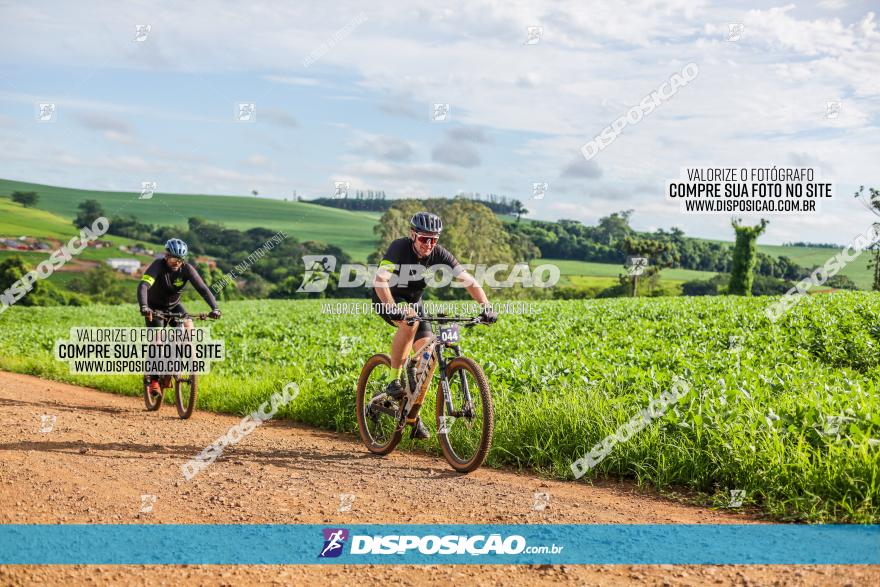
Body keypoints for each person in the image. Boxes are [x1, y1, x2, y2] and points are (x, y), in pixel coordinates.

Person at [371, 212, 497, 439]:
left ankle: (412, 415)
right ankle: (393, 380)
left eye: (433, 239)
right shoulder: (399, 247)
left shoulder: (439, 253)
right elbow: (380, 281)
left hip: (414, 301)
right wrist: (391, 307)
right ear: (413, 235)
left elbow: (467, 279)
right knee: (410, 320)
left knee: (428, 354)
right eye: (423, 239)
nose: (429, 244)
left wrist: (486, 306)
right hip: (387, 297)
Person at [137, 238, 221, 398]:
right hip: (154, 308)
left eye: (180, 259)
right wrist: (144, 306)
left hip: (175, 306)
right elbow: (143, 286)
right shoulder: (157, 266)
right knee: (158, 339)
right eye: (174, 258)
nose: (177, 262)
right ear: (166, 256)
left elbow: (202, 288)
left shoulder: (187, 269)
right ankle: (154, 380)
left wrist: (214, 308)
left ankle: (185, 354)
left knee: (188, 326)